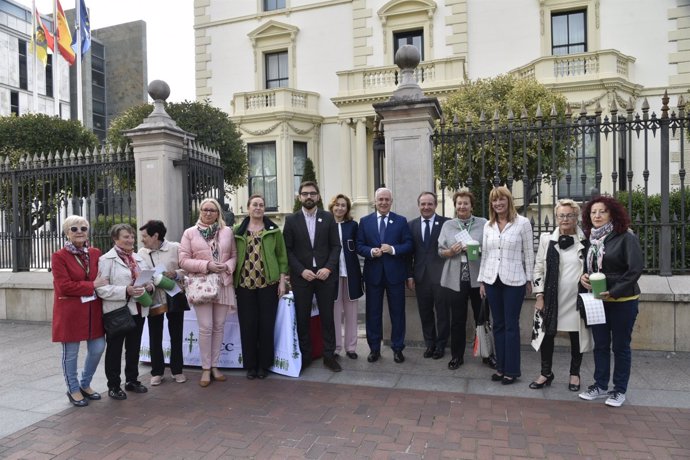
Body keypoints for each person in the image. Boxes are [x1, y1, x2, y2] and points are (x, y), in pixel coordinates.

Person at [578, 195, 643, 407]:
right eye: (593, 212)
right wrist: (584, 277)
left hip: (623, 299)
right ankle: (600, 385)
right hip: (598, 300)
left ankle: (619, 390)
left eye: (602, 211)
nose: (597, 215)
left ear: (612, 214)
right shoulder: (591, 238)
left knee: (621, 347)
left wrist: (613, 291)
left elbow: (634, 270)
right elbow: (591, 268)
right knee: (601, 345)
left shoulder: (626, 237)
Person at [283, 181, 342, 372]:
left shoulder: (328, 218)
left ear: (318, 196)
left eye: (312, 193)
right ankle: (305, 356)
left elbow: (336, 246)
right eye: (305, 193)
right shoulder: (291, 220)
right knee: (302, 318)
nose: (309, 197)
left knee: (327, 317)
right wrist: (301, 270)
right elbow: (288, 250)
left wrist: (328, 268)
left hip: (325, 276)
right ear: (299, 196)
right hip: (302, 277)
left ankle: (329, 356)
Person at [478, 186, 534, 385]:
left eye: (502, 199)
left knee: (511, 326)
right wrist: (482, 281)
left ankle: (512, 370)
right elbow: (485, 254)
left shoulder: (522, 223)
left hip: (515, 281)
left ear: (509, 201)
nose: (498, 203)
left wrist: (529, 279)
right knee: (498, 325)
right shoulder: (488, 225)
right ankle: (500, 368)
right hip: (492, 280)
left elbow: (529, 253)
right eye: (494, 200)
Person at [530, 199, 589, 391]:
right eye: (562, 215)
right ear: (556, 217)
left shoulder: (586, 240)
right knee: (547, 335)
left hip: (576, 298)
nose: (565, 219)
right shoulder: (547, 240)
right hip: (551, 297)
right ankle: (546, 373)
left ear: (576, 217)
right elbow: (538, 268)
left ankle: (574, 374)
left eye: (569, 215)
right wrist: (539, 296)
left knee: (576, 336)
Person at [179, 198, 237, 387]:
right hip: (202, 284)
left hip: (222, 283)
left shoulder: (227, 231)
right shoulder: (190, 233)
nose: (208, 213)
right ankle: (205, 368)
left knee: (219, 326)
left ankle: (215, 365)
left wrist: (227, 266)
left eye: (212, 210)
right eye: (205, 209)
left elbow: (234, 255)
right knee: (206, 327)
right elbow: (183, 260)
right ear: (200, 211)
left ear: (218, 212)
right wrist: (207, 265)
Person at [51, 215, 108, 407]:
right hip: (71, 312)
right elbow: (64, 286)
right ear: (67, 233)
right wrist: (91, 284)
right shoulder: (59, 256)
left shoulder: (95, 253)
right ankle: (73, 389)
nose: (79, 232)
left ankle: (85, 384)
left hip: (93, 310)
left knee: (98, 348)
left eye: (83, 228)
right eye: (74, 229)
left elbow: (103, 277)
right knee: (71, 354)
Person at [96, 223, 154, 400]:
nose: (130, 240)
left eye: (131, 237)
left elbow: (148, 279)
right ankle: (113, 385)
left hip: (138, 308)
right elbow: (101, 289)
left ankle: (132, 380)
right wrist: (125, 291)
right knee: (115, 349)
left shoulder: (139, 258)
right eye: (125, 237)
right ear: (115, 239)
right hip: (118, 311)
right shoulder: (106, 260)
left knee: (134, 347)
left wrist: (149, 286)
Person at [234, 194, 289, 379]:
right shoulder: (237, 231)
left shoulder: (274, 230)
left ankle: (263, 366)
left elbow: (282, 258)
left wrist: (282, 281)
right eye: (255, 204)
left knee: (266, 325)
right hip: (244, 285)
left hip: (268, 284)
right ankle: (250, 365)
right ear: (248, 207)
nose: (258, 207)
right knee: (248, 325)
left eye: (261, 205)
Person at [356, 187, 413, 364]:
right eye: (380, 199)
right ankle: (374, 349)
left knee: (397, 313)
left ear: (391, 201)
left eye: (387, 199)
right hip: (373, 275)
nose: (383, 202)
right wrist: (371, 251)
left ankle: (397, 348)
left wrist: (393, 249)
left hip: (395, 275)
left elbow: (409, 245)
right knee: (373, 313)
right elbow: (359, 245)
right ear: (375, 201)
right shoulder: (365, 221)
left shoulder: (401, 221)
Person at [438, 191, 489, 370]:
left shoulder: (483, 223)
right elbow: (440, 251)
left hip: (478, 279)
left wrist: (476, 249)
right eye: (459, 203)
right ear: (455, 205)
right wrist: (450, 252)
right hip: (456, 279)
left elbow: (490, 248)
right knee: (457, 320)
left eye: (465, 203)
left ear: (471, 205)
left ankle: (486, 354)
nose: (462, 206)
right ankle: (456, 356)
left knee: (481, 318)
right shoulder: (448, 225)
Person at [138, 220, 187, 386]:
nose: (142, 240)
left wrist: (176, 274)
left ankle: (177, 370)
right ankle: (157, 372)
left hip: (174, 295)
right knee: (155, 334)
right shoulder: (142, 253)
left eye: (145, 236)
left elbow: (186, 268)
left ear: (155, 235)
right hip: (154, 298)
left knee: (176, 334)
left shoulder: (176, 248)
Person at [407, 191, 449, 360]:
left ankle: (441, 346)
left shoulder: (446, 224)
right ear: (419, 206)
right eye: (423, 204)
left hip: (441, 277)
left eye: (429, 204)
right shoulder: (411, 225)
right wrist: (409, 275)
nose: (426, 207)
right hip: (421, 277)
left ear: (435, 205)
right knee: (425, 313)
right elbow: (408, 254)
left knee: (443, 313)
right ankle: (429, 344)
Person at [329, 194, 364, 359]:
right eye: (337, 205)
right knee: (335, 312)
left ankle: (351, 347)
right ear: (332, 207)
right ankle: (336, 348)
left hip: (351, 273)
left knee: (351, 312)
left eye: (343, 205)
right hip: (332, 275)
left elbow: (359, 246)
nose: (340, 208)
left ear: (347, 209)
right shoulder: (326, 225)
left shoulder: (353, 225)